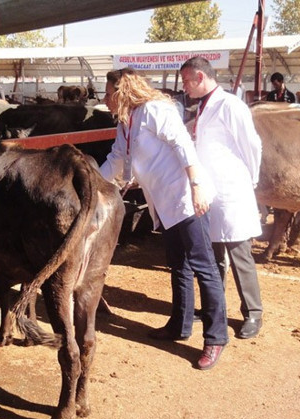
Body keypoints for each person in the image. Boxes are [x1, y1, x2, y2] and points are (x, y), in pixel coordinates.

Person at [98, 68, 229, 370]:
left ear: (121, 91)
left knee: (203, 266)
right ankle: (180, 325)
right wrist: (93, 183)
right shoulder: (126, 123)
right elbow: (117, 159)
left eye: (107, 94)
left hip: (186, 198)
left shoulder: (155, 110)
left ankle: (216, 337)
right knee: (178, 264)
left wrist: (196, 186)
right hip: (165, 205)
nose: (105, 100)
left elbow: (183, 145)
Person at [180, 56, 264, 339]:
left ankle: (253, 313)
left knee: (240, 255)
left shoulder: (231, 105)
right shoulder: (203, 106)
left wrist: (249, 179)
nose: (185, 88)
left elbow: (252, 145)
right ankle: (216, 307)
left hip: (232, 190)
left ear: (201, 78)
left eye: (187, 82)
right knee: (213, 255)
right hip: (209, 192)